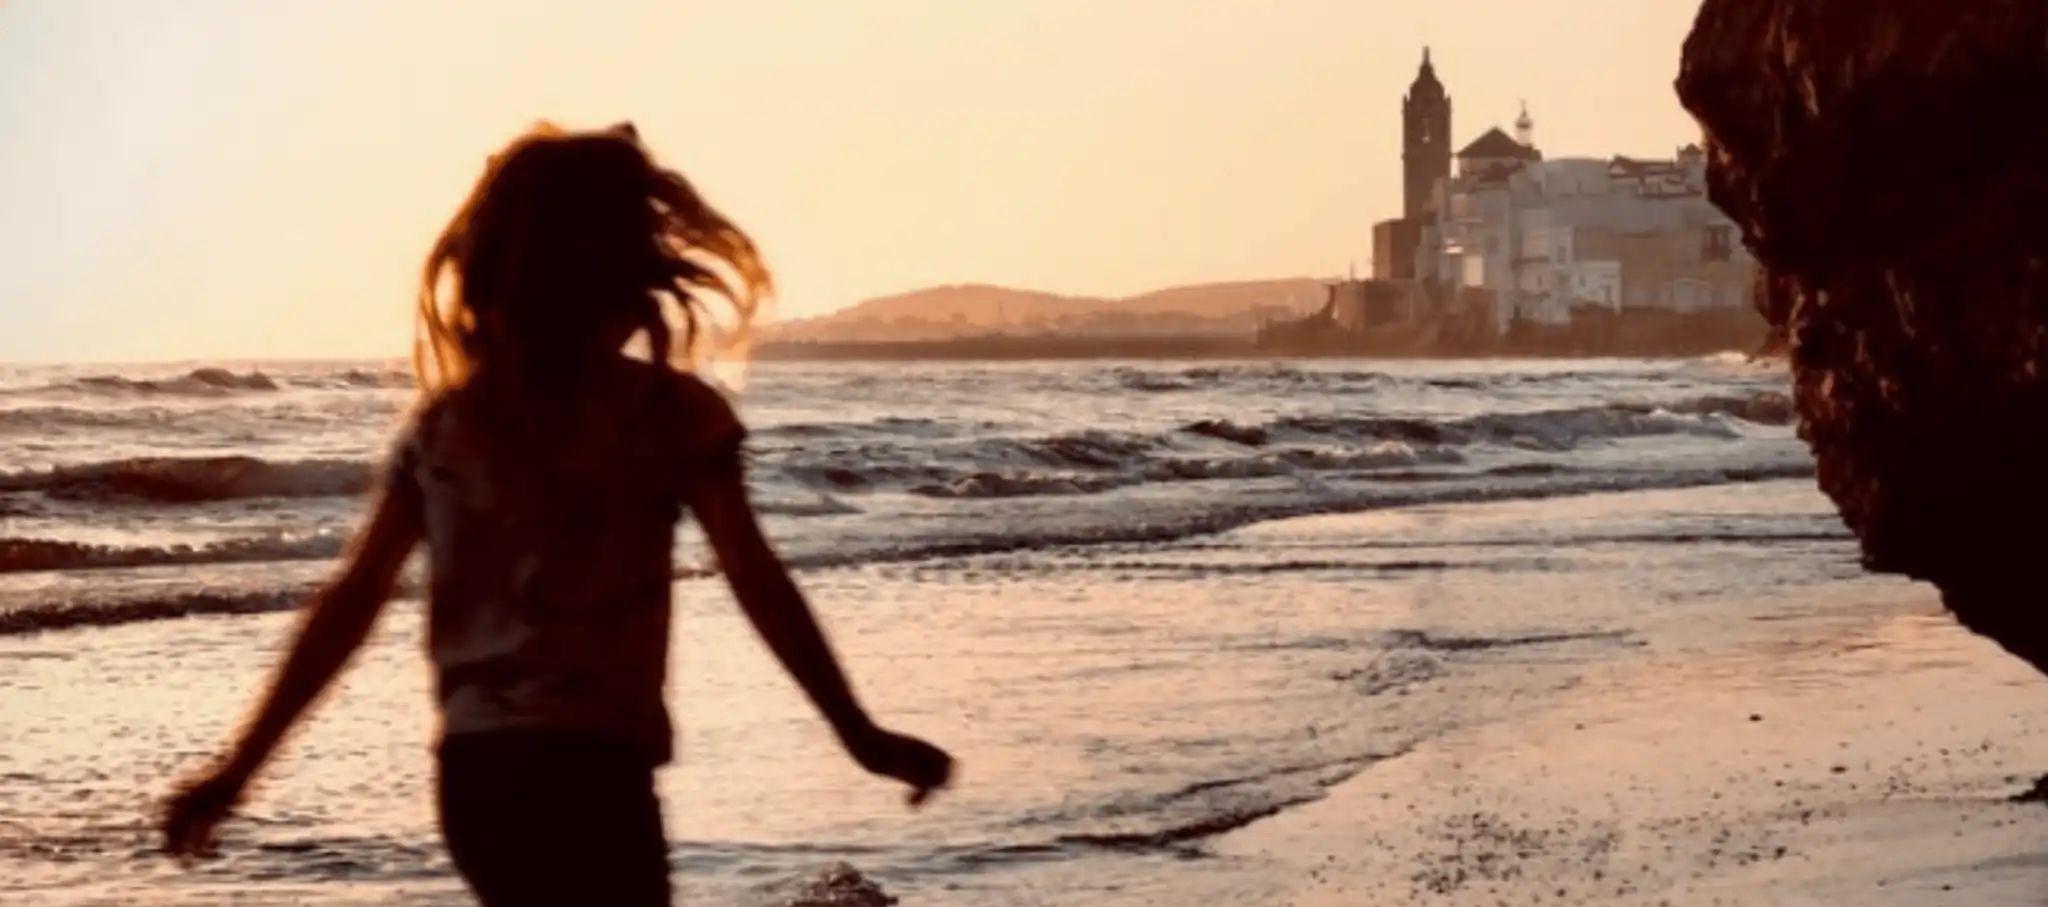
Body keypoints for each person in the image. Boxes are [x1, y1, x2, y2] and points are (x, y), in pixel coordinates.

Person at [159, 121, 954, 905]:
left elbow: (353, 599)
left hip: (476, 778)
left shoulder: (448, 426)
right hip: (595, 768)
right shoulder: (667, 414)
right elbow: (755, 577)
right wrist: (856, 731)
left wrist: (239, 768)